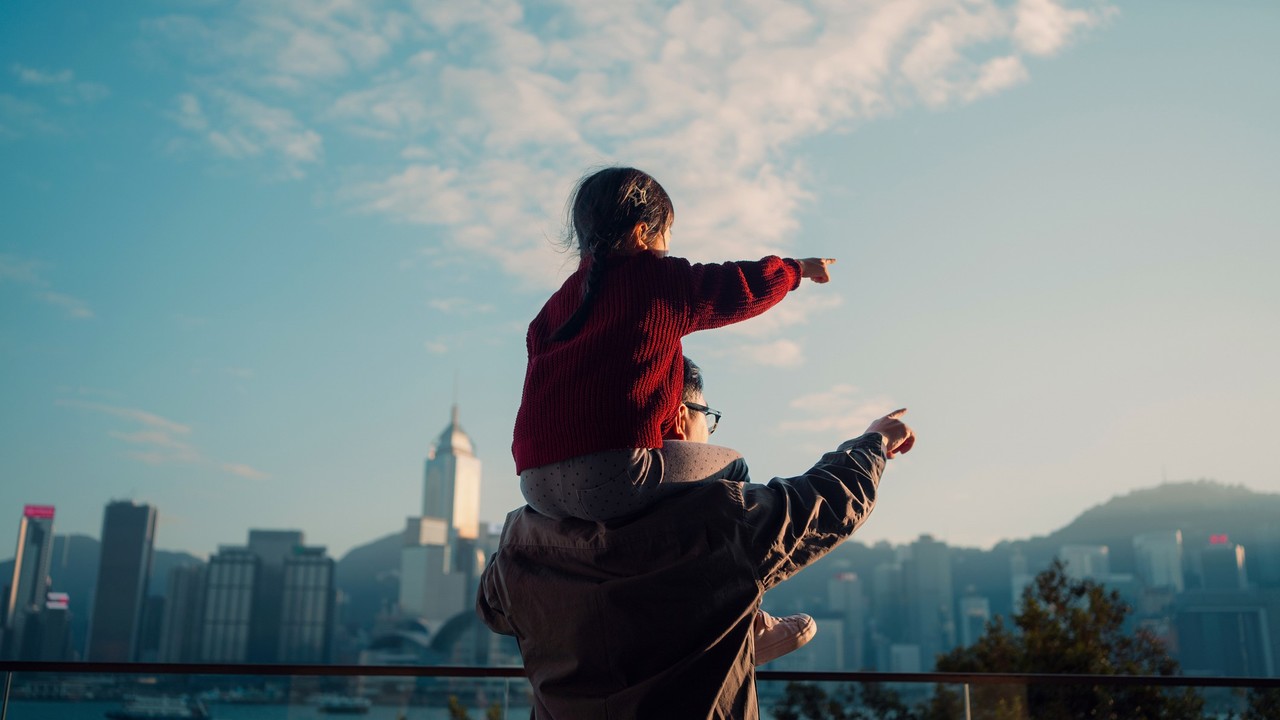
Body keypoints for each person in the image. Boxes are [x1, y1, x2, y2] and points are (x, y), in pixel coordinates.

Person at [480, 358, 916, 719]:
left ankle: (744, 629)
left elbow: (493, 612)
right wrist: (873, 441)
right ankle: (746, 629)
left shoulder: (520, 538)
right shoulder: (721, 516)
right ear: (679, 418)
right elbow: (827, 501)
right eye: (706, 416)